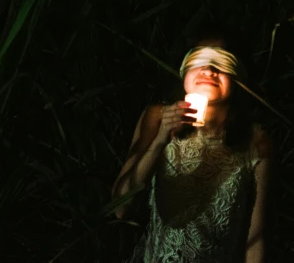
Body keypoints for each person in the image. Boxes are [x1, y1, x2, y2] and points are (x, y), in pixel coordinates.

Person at [112, 23, 275, 263]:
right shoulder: (156, 118)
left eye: (221, 62)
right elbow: (120, 207)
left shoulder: (257, 142)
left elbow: (258, 236)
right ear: (184, 69)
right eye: (199, 59)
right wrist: (159, 141)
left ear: (239, 76)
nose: (208, 68)